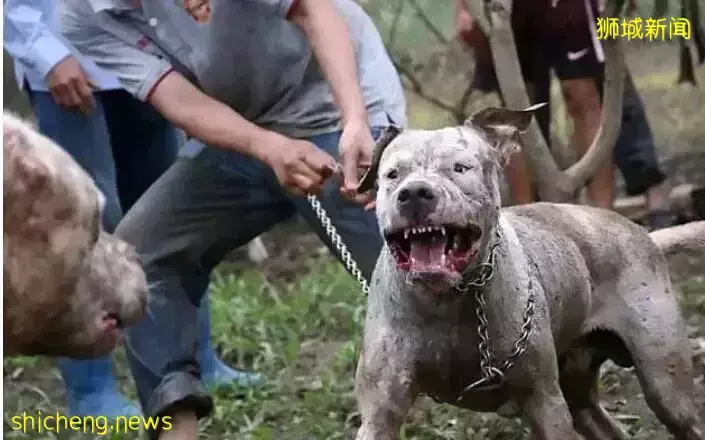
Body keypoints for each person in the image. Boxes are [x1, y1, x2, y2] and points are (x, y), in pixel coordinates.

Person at [57, 0, 406, 437]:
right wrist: (269, 148)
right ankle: (175, 426)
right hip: (244, 130)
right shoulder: (78, 14)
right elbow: (175, 97)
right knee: (140, 256)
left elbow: (316, 11)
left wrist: (358, 121)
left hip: (337, 107)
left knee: (413, 279)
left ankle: (500, 374)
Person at [3, 0, 261, 420]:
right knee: (78, 228)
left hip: (141, 51)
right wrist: (45, 52)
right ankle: (92, 391)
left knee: (172, 210)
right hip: (64, 59)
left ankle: (190, 362)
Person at [454, 0, 675, 228]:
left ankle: (603, 221)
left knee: (582, 94)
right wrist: (462, 6)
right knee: (516, 108)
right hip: (508, 7)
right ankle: (523, 224)